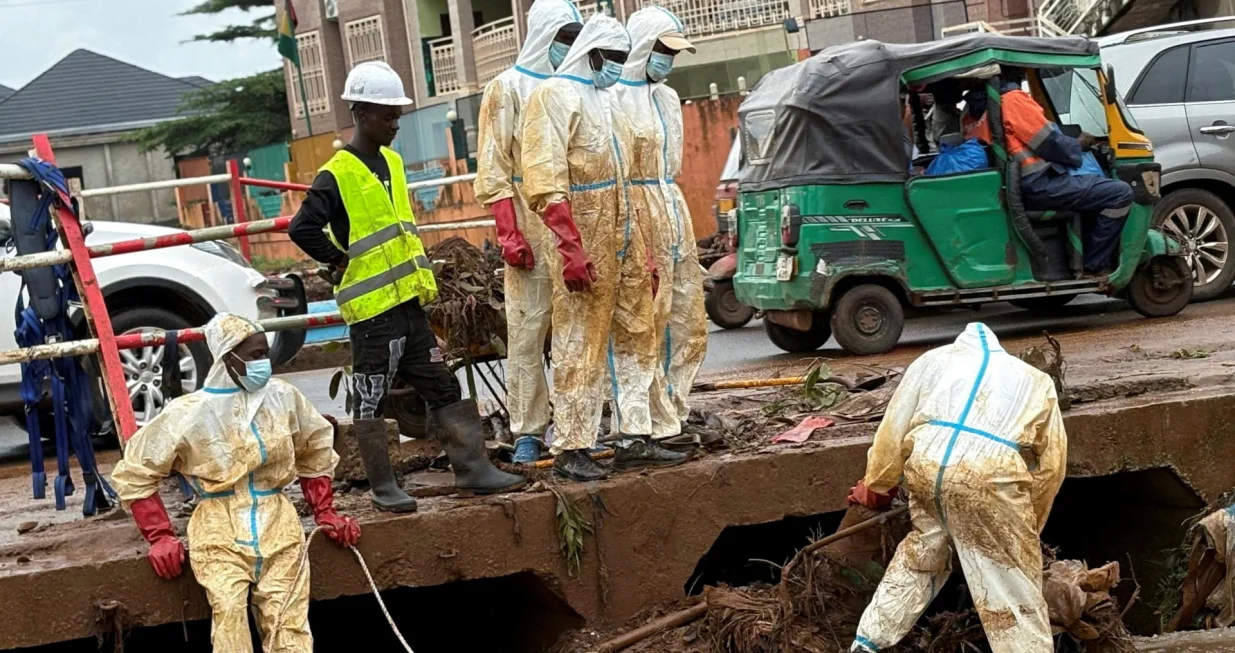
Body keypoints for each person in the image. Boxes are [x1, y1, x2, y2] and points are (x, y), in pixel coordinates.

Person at [289, 61, 524, 509]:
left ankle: (473, 469)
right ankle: (383, 486)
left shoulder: (392, 163)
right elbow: (303, 228)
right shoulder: (336, 174)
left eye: (397, 116)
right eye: (387, 116)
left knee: (441, 384)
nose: (395, 124)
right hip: (374, 312)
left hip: (408, 305)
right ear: (359, 114)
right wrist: (337, 260)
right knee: (372, 396)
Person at [110, 314, 360, 653]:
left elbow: (314, 446)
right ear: (228, 357)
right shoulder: (189, 413)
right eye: (255, 355)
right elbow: (136, 471)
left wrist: (325, 511)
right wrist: (160, 537)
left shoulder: (283, 398)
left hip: (278, 521)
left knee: (290, 623)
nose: (264, 363)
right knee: (228, 615)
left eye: (264, 354)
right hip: (217, 528)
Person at [848, 323, 1067, 653]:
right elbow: (1052, 465)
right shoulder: (1035, 381)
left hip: (927, 467)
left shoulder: (932, 361)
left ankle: (867, 643)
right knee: (1010, 584)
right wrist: (1027, 525)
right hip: (990, 474)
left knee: (921, 559)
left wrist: (878, 484)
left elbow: (893, 427)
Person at [523, 14, 671, 481]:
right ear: (594, 53)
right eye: (617, 58)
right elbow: (546, 181)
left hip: (624, 232)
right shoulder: (553, 97)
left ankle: (636, 435)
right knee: (578, 341)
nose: (621, 68)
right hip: (583, 231)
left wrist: (642, 250)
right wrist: (570, 248)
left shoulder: (607, 101)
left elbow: (628, 183)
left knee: (637, 333)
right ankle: (572, 446)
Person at [474, 0, 583, 465]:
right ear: (543, 35)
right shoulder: (507, 88)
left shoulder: (573, 87)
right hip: (528, 218)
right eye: (563, 38)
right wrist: (509, 231)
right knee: (526, 329)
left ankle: (580, 420)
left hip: (573, 219)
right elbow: (493, 164)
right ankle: (528, 428)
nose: (570, 48)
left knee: (577, 329)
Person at [613, 7, 705, 455]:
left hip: (671, 202)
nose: (669, 59)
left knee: (688, 318)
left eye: (674, 52)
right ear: (644, 46)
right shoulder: (613, 97)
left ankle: (674, 410)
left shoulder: (667, 97)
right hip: (636, 205)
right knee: (641, 322)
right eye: (664, 50)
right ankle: (638, 423)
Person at [961, 68, 1134, 276]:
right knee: (1119, 193)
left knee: (1092, 189)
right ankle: (1094, 265)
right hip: (1035, 185)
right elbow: (1049, 142)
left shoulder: (973, 110)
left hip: (1015, 184)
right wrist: (1079, 144)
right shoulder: (1012, 100)